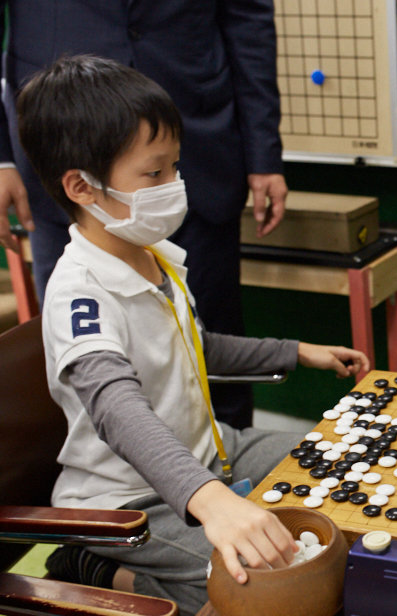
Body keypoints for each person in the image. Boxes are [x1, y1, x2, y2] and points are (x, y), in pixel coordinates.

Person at [18, 56, 369, 616]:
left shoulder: (155, 258)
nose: (173, 186)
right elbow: (117, 409)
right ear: (82, 186)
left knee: (345, 468)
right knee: (262, 585)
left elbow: (193, 348)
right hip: (129, 501)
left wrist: (296, 352)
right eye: (153, 175)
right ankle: (94, 566)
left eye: (174, 168)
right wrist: (214, 503)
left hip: (212, 452)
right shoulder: (78, 295)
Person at [0, 0, 289, 429]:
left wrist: (263, 152)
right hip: (63, 142)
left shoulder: (173, 177)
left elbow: (246, 18)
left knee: (208, 338)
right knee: (88, 372)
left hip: (198, 137)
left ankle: (233, 475)